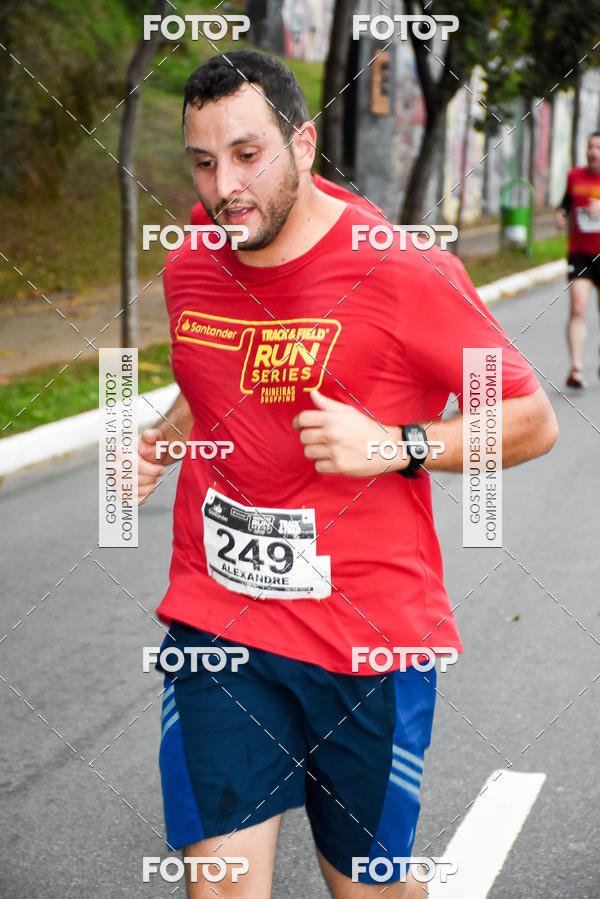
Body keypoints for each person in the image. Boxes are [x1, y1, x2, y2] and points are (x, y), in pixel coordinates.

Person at [138, 50, 558, 898]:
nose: (225, 186)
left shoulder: (401, 272)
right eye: (204, 161)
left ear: (303, 140)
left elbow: (530, 418)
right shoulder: (191, 264)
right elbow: (210, 378)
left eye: (249, 155)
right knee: (218, 884)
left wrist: (396, 443)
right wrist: (159, 437)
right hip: (221, 625)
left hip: (367, 637)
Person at [555, 131, 600, 388]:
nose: (593, 151)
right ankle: (576, 369)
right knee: (578, 306)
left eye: (598, 147)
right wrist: (560, 215)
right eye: (590, 146)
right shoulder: (575, 176)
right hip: (581, 253)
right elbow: (566, 203)